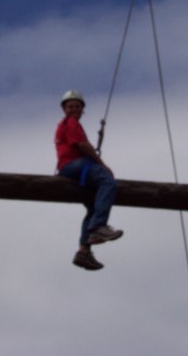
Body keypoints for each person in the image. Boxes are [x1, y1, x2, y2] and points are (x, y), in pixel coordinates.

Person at [55, 90, 123, 271]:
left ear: (82, 109)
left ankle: (84, 251)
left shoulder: (67, 124)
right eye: (70, 106)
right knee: (107, 181)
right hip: (73, 165)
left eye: (77, 106)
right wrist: (101, 163)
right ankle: (99, 227)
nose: (74, 109)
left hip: (69, 167)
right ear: (64, 109)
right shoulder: (71, 123)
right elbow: (82, 145)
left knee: (93, 207)